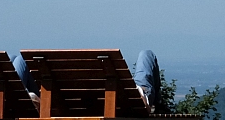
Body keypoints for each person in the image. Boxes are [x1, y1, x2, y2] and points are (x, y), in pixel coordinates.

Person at [11, 49, 162, 114]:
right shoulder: (128, 100)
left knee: (18, 59)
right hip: (132, 102)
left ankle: (19, 95)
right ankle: (154, 103)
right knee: (146, 54)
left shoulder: (66, 98)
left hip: (61, 104)